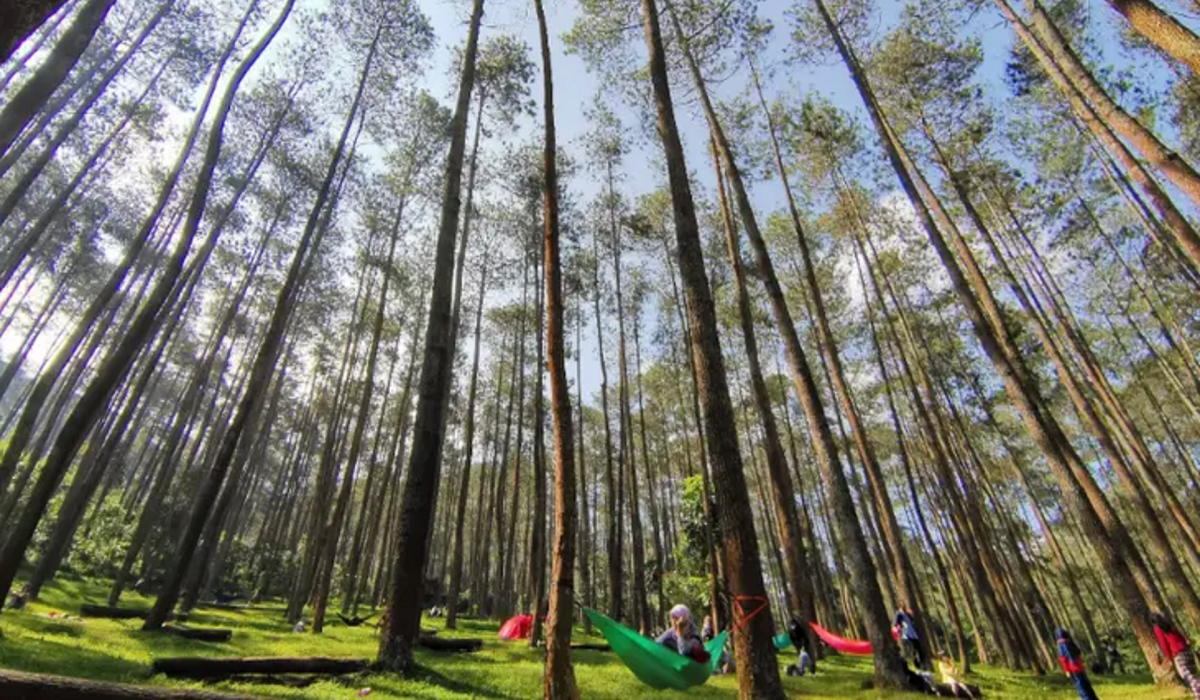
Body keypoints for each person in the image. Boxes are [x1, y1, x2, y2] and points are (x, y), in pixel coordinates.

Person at [1152, 612, 1200, 699]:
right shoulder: (1169, 624)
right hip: (1187, 651)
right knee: (1194, 675)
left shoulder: (1157, 628)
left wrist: (1169, 658)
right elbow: (1181, 636)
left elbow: (1164, 644)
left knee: (1187, 677)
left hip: (1178, 653)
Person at [1056, 627, 1098, 700]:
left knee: (1081, 687)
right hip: (1079, 667)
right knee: (1087, 685)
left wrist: (1067, 670)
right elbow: (1078, 653)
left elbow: (1063, 659)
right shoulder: (1070, 642)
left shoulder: (1061, 644)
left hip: (1073, 669)